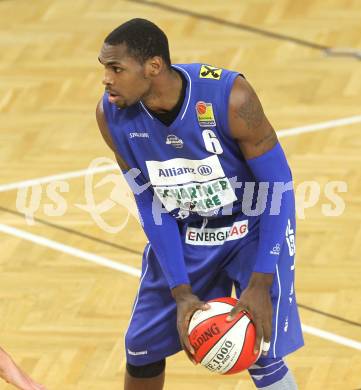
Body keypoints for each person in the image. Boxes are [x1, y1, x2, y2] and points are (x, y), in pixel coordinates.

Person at [96, 18, 304, 390]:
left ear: (153, 66)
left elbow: (277, 187)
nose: (106, 79)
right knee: (141, 348)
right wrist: (180, 290)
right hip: (186, 227)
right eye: (104, 69)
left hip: (252, 225)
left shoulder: (231, 98)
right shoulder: (111, 116)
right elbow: (149, 203)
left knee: (260, 348)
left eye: (116, 69)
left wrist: (261, 280)